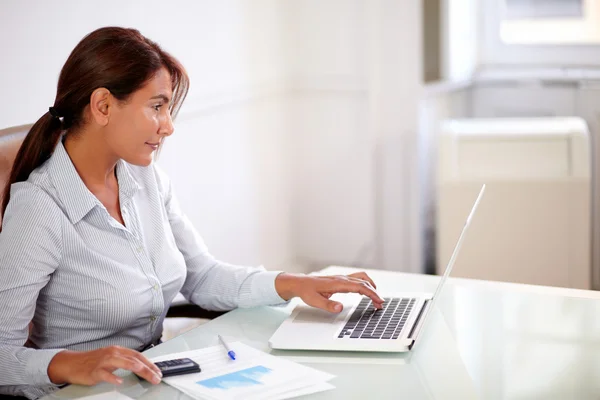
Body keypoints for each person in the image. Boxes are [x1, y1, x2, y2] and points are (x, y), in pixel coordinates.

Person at [0, 27, 383, 399]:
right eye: (157, 106)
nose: (168, 126)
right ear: (102, 106)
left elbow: (203, 276)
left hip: (152, 379)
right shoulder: (40, 209)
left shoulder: (145, 179)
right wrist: (68, 364)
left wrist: (295, 283)